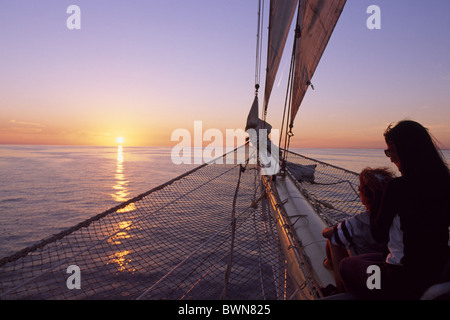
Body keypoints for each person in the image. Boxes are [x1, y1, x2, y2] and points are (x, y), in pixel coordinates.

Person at [339, 120, 450, 299]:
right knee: (360, 261)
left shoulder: (398, 188)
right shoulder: (445, 182)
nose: (390, 158)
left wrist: (376, 197)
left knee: (346, 266)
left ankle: (373, 294)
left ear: (405, 150)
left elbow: (378, 233)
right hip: (435, 272)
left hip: (398, 280)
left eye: (390, 150)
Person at [322, 167, 394, 293]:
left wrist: (333, 228)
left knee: (333, 238)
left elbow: (326, 233)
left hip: (365, 278)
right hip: (387, 273)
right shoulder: (398, 218)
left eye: (359, 189)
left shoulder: (356, 223)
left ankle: (340, 285)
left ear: (364, 196)